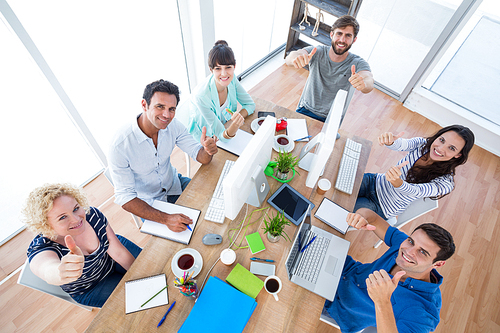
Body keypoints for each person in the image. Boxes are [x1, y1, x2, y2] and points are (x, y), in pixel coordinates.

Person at [108, 79, 218, 232]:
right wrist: (167, 219)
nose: (167, 115)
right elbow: (125, 198)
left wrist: (207, 150)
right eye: (160, 107)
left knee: (215, 202)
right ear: (144, 105)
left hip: (174, 184)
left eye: (172, 109)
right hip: (149, 203)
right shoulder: (120, 145)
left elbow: (200, 156)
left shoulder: (173, 125)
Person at [322, 209, 456, 332]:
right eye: (411, 241)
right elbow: (372, 218)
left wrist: (383, 301)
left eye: (422, 252)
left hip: (334, 305)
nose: (408, 252)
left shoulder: (423, 312)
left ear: (438, 264)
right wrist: (361, 216)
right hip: (341, 266)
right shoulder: (403, 244)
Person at [23, 183, 141, 308]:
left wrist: (142, 275)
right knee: (137, 302)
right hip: (92, 287)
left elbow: (118, 251)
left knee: (155, 271)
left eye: (75, 208)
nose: (76, 219)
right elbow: (46, 269)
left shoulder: (91, 215)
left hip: (110, 259)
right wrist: (61, 272)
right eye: (62, 217)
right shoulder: (42, 247)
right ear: (45, 225)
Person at [354, 125, 475, 220]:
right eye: (442, 140)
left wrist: (398, 183)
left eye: (451, 148)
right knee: (338, 182)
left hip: (382, 206)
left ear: (458, 155)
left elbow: (417, 191)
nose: (440, 148)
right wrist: (391, 141)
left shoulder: (445, 183)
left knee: (342, 208)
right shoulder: (423, 144)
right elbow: (402, 144)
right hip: (375, 181)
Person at [285, 15, 373, 123]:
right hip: (306, 109)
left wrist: (364, 82)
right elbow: (291, 57)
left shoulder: (357, 62)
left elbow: (368, 79)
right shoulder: (317, 52)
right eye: (339, 34)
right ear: (331, 34)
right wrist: (295, 58)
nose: (342, 40)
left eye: (348, 36)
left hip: (332, 118)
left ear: (354, 40)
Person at [183, 40, 255, 142]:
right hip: (205, 135)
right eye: (218, 68)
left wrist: (236, 120)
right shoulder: (202, 96)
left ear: (234, 66)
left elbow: (250, 104)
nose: (224, 74)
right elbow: (222, 137)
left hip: (224, 123)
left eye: (228, 67)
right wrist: (233, 125)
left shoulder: (232, 78)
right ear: (211, 70)